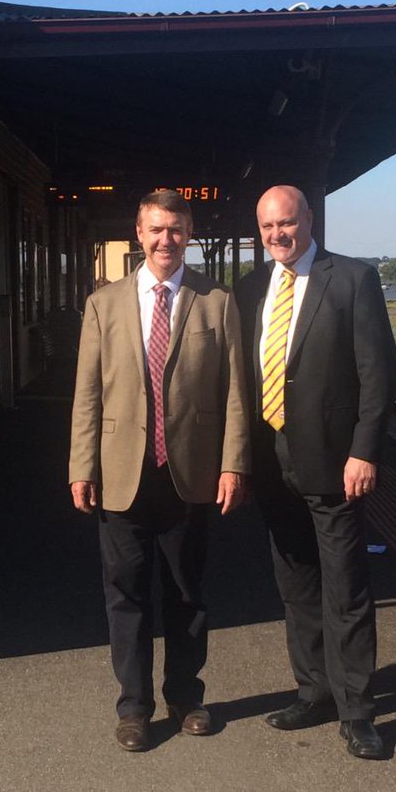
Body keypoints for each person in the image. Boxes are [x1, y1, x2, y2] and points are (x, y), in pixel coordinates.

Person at [69, 189, 249, 752]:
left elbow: (236, 393)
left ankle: (186, 697)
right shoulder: (104, 303)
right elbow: (88, 394)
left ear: (188, 232)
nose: (165, 239)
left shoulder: (215, 301)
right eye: (155, 229)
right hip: (122, 473)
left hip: (189, 472)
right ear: (140, 233)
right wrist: (82, 465)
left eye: (175, 229)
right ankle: (134, 707)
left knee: (186, 593)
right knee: (126, 596)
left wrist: (234, 464)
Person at [235, 185, 396, 760]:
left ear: (308, 220)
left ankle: (358, 710)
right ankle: (314, 691)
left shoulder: (352, 279)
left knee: (346, 586)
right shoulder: (251, 289)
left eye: (287, 223)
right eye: (267, 227)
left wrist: (365, 451)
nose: (278, 235)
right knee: (296, 583)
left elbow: (379, 375)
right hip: (271, 458)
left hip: (335, 461)